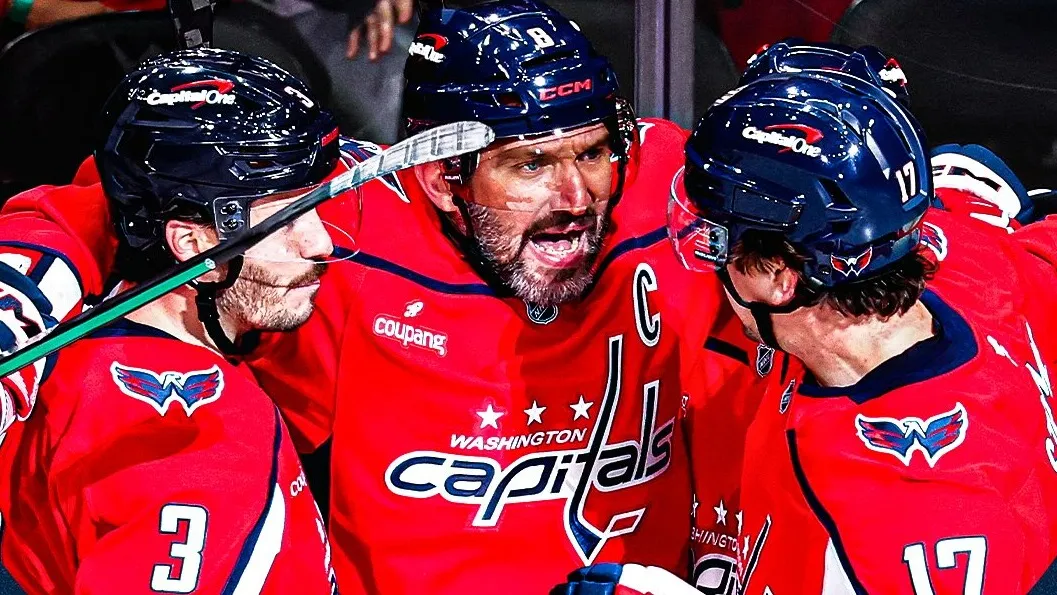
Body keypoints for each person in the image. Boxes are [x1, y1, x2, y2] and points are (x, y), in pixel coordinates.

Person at [245, 0, 733, 592]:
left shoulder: (668, 189)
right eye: (530, 165)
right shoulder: (340, 233)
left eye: (592, 152)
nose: (576, 198)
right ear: (440, 177)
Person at [669, 67, 1057, 592]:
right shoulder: (972, 263)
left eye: (717, 238)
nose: (708, 256)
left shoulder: (913, 515)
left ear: (781, 277)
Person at [0, 47, 353, 593]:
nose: (321, 243)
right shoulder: (207, 445)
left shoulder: (73, 329)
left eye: (315, 206)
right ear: (191, 243)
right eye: (284, 220)